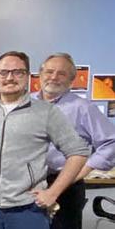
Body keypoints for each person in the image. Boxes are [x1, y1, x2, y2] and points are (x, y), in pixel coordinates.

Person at [0, 51, 90, 229]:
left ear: (27, 76)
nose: (10, 78)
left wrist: (53, 192)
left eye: (17, 72)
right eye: (3, 72)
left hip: (28, 211)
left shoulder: (46, 112)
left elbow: (78, 152)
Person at [33, 53, 115, 229]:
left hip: (66, 187)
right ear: (40, 75)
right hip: (27, 185)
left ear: (71, 80)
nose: (54, 77)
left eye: (61, 73)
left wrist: (79, 173)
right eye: (49, 72)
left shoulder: (82, 108)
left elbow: (111, 142)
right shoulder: (26, 103)